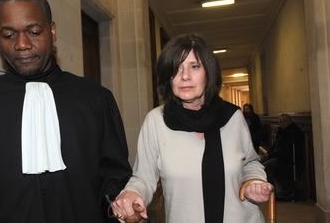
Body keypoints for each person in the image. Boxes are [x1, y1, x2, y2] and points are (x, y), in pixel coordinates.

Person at [0, 0, 132, 223]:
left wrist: (122, 210)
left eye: (34, 31)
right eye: (8, 35)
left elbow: (114, 182)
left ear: (52, 30)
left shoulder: (96, 100)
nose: (22, 44)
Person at [110, 34, 272, 223]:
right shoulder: (157, 121)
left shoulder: (232, 117)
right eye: (176, 69)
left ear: (208, 72)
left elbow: (250, 162)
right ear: (167, 78)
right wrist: (130, 194)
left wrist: (255, 182)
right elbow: (143, 177)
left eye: (194, 66)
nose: (185, 76)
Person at [262, 114, 305, 200]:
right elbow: (275, 144)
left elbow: (286, 149)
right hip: (279, 156)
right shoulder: (281, 130)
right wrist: (269, 153)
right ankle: (277, 190)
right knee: (262, 163)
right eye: (279, 122)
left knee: (266, 166)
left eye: (281, 122)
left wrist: (271, 155)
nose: (279, 124)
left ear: (287, 122)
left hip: (288, 159)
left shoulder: (294, 131)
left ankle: (277, 191)